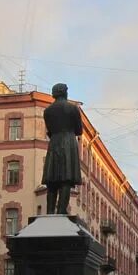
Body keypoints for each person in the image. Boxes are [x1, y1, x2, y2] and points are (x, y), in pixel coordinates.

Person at [42, 83, 83, 215]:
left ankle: (49, 212)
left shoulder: (47, 111)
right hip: (68, 143)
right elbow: (79, 130)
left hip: (54, 143)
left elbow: (49, 130)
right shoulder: (73, 109)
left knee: (52, 179)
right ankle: (61, 211)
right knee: (66, 179)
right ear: (64, 92)